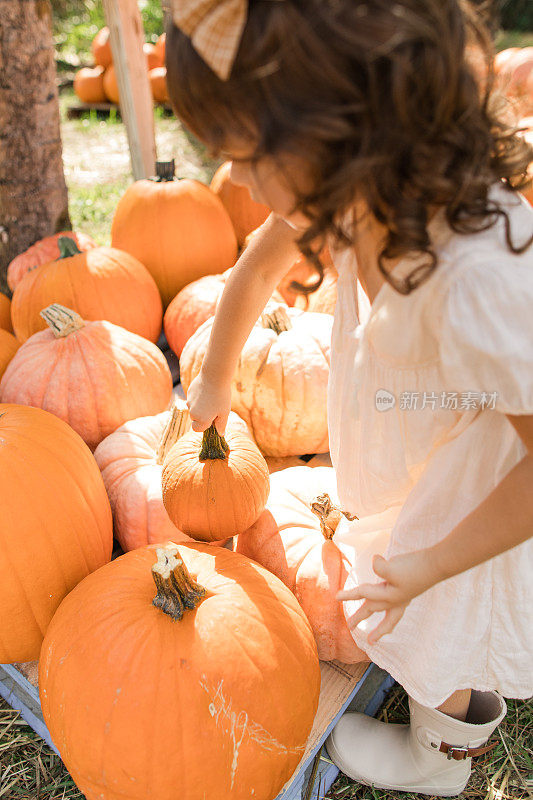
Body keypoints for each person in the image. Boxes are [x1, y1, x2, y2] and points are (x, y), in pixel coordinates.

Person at [165, 0, 533, 794]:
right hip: (414, 452)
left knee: (434, 619)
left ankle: (439, 759)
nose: (233, 178)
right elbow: (258, 265)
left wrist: (431, 564)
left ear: (340, 134)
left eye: (245, 152)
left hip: (479, 498)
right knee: (415, 598)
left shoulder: (475, 280)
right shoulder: (355, 192)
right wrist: (214, 380)